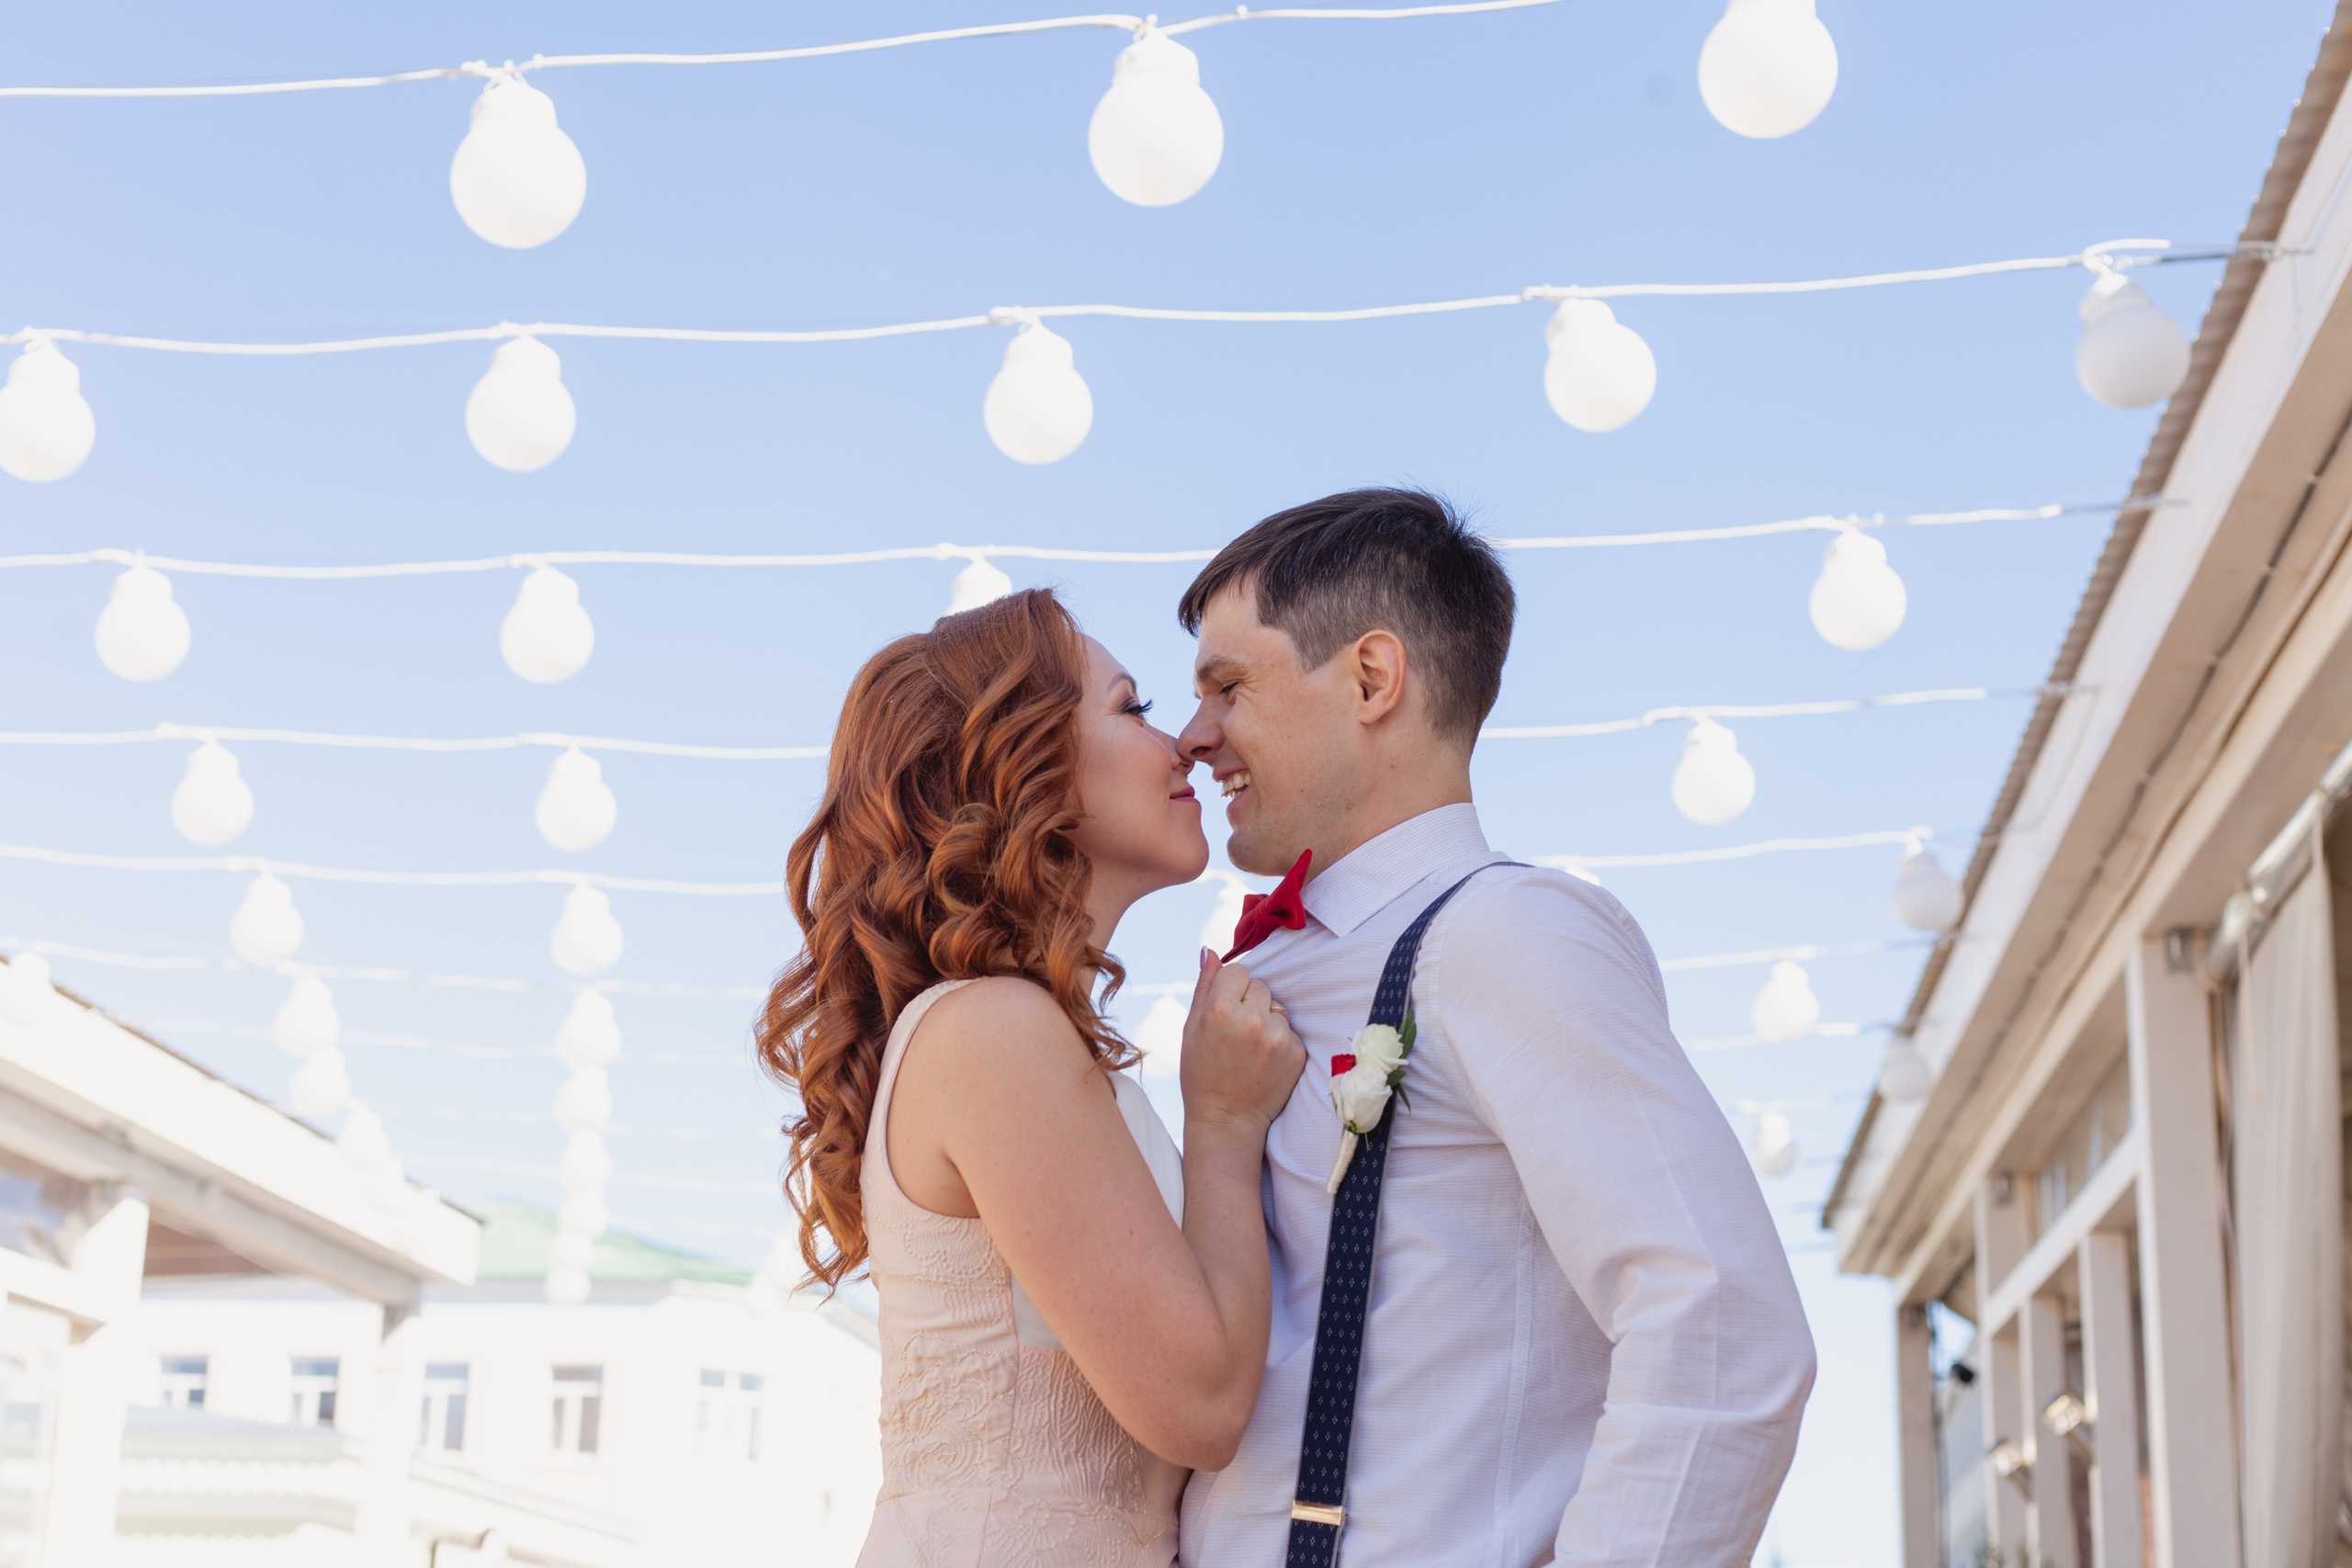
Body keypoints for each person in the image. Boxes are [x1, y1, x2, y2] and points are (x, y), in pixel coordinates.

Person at [1171, 489, 1816, 1568]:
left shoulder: (1507, 934)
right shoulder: (1264, 971)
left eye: (1228, 687)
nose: (1194, 738)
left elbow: (1719, 1324)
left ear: (1372, 679)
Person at [757, 589, 1306, 1568]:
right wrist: (1224, 1124)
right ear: (1020, 764)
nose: (1181, 745)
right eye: (1133, 708)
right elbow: (1202, 1406)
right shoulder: (992, 1031)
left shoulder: (1018, 1036)